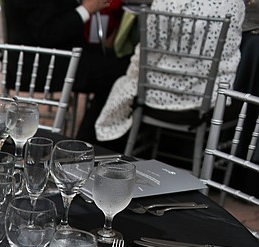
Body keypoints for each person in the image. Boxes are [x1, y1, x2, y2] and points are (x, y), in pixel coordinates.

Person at [94, 0, 245, 144]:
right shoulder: (235, 4)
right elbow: (229, 55)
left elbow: (147, 56)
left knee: (122, 81)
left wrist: (133, 78)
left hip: (158, 97)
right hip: (211, 100)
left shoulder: (166, 2)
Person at [2, 0, 132, 142]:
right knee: (119, 73)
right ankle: (93, 142)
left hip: (59, 55)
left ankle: (102, 138)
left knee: (122, 64)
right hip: (37, 65)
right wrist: (85, 9)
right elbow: (46, 33)